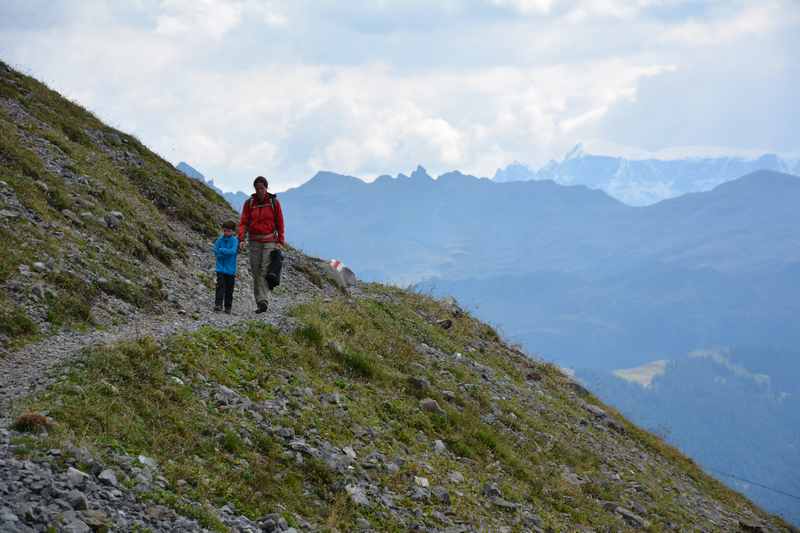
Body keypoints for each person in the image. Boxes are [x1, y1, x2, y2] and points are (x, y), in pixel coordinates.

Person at [238, 176, 285, 313]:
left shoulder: (274, 203)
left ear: (266, 188)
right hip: (254, 241)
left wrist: (280, 241)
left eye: (262, 188)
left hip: (269, 241)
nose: (260, 191)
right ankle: (259, 300)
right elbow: (244, 222)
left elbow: (280, 222)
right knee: (255, 270)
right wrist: (241, 238)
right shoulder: (249, 203)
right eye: (257, 188)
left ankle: (263, 301)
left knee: (265, 269)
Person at [213, 220, 239, 314]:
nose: (226, 233)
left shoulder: (235, 240)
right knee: (220, 287)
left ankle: (228, 307)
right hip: (220, 268)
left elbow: (232, 251)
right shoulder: (220, 239)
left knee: (229, 289)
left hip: (231, 270)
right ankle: (218, 305)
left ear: (233, 231)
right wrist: (223, 253)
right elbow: (215, 251)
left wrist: (222, 250)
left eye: (228, 231)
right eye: (225, 230)